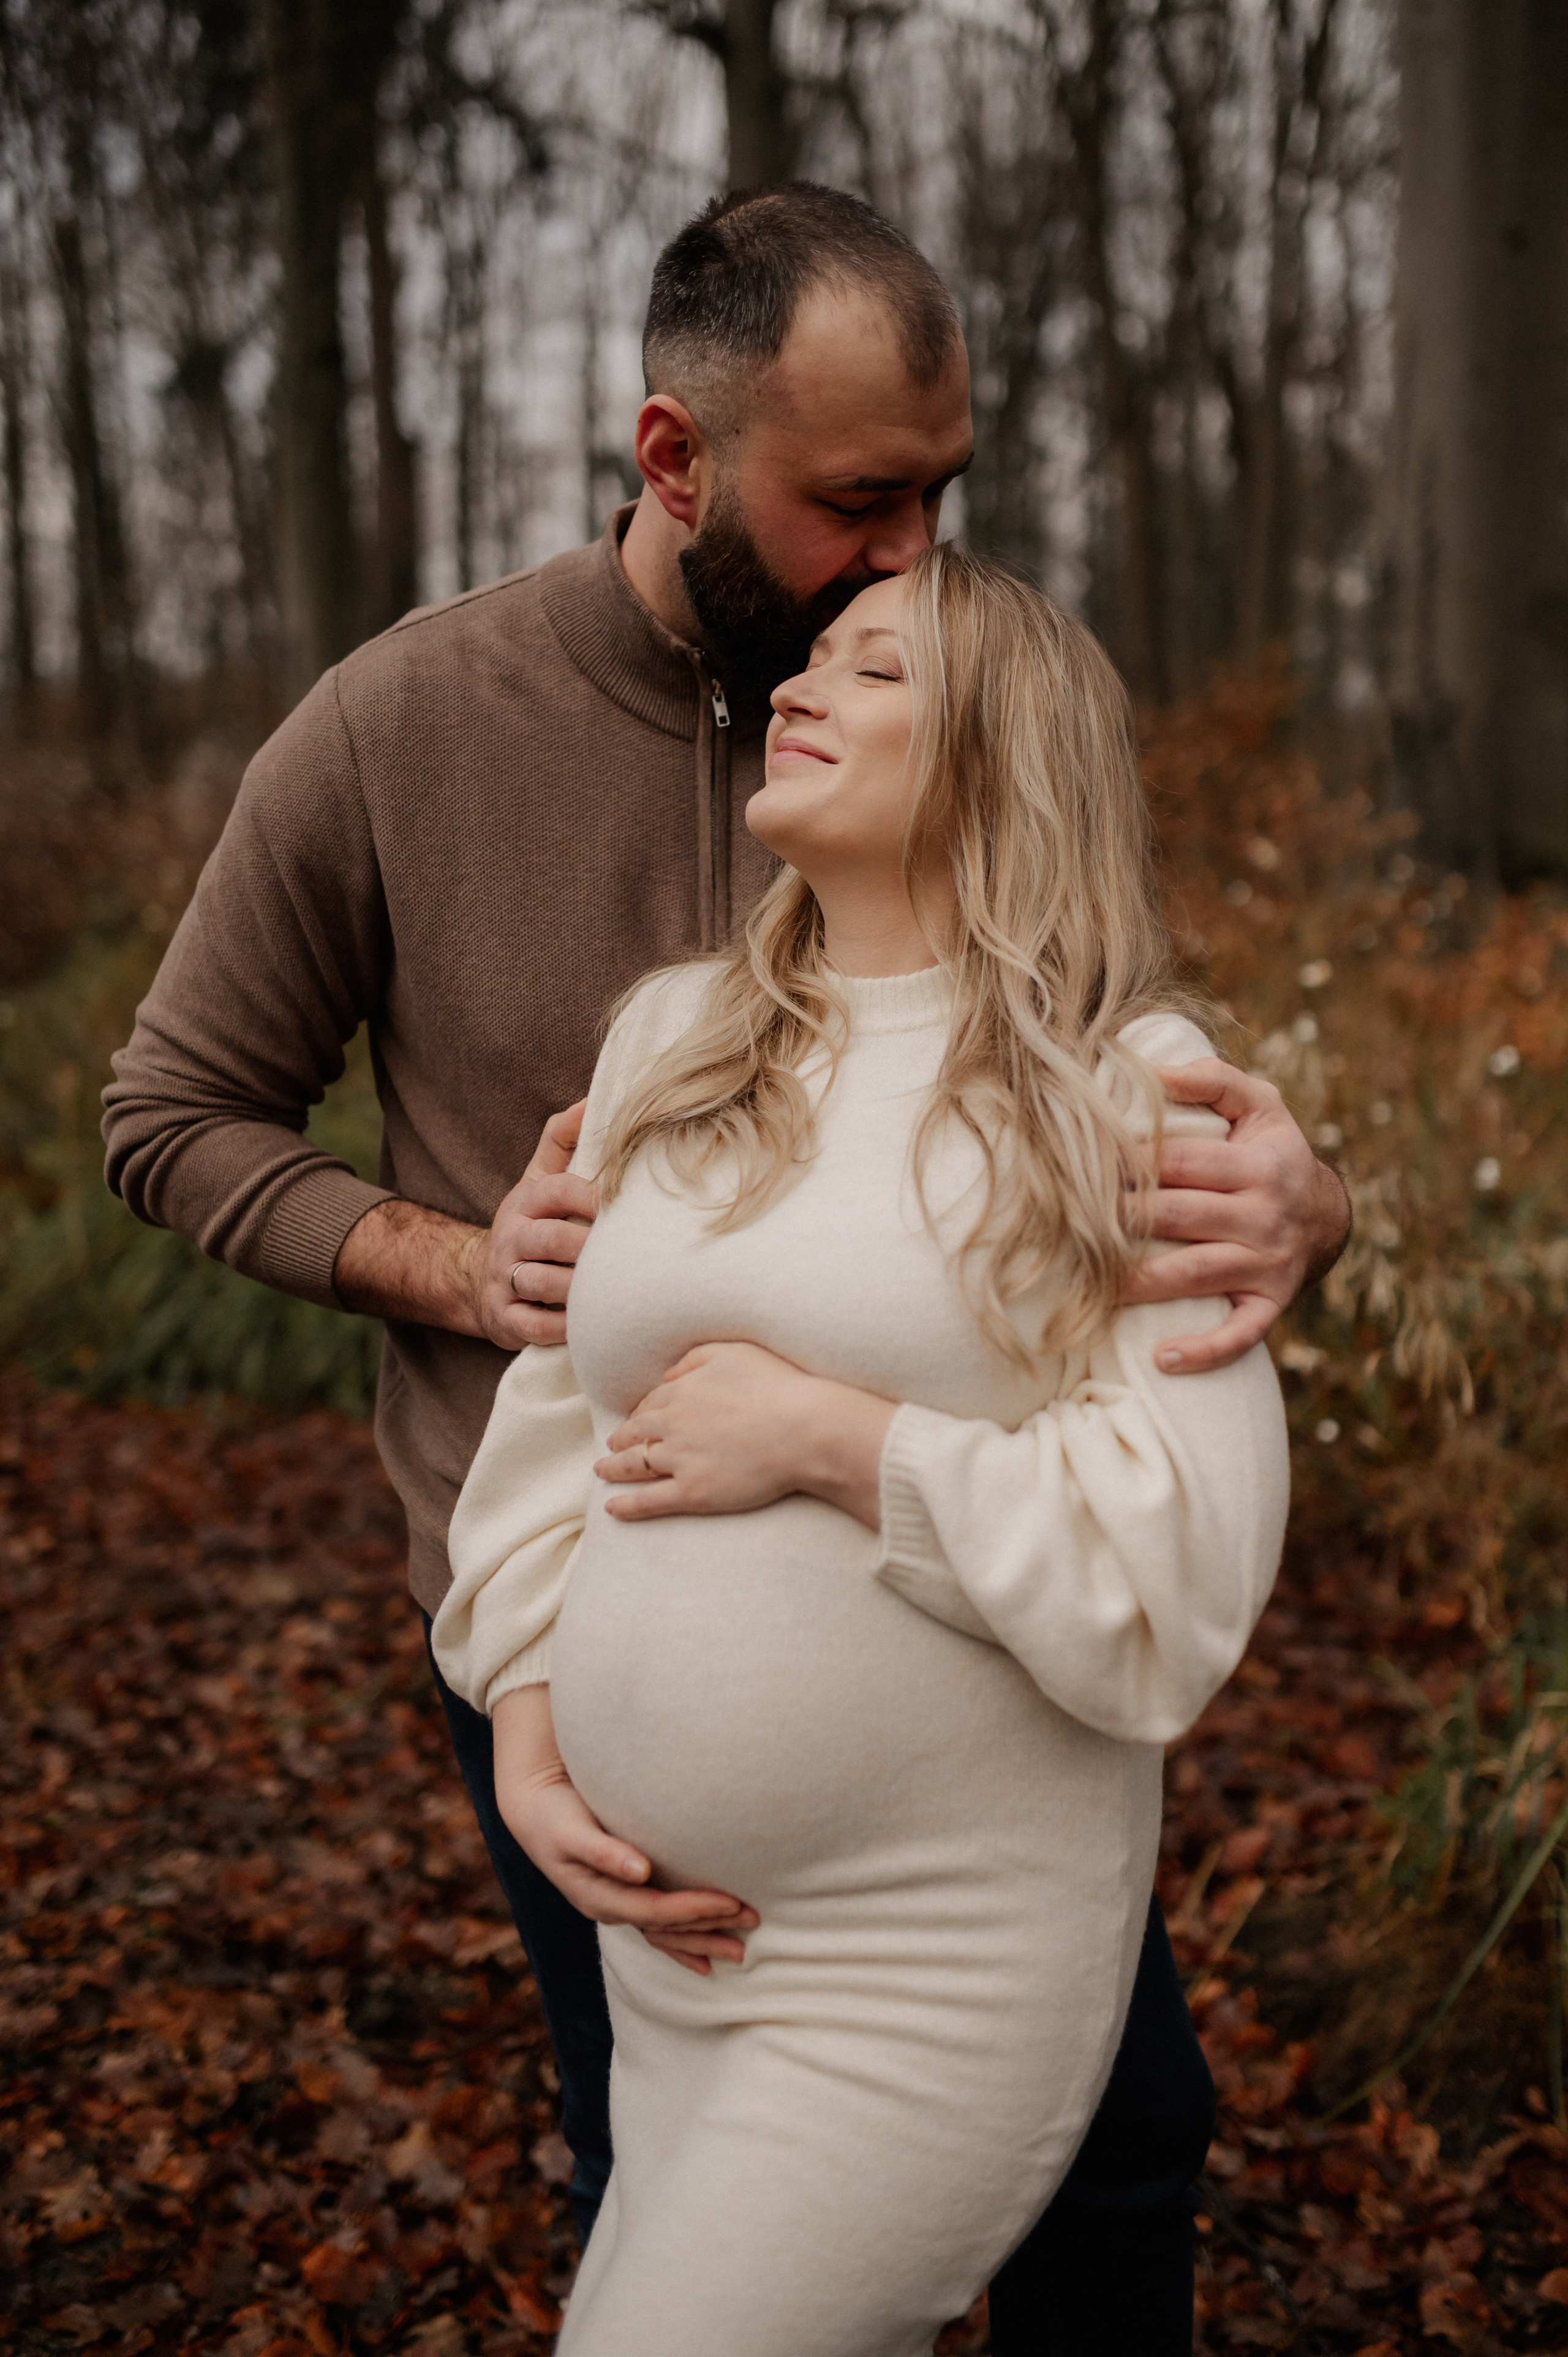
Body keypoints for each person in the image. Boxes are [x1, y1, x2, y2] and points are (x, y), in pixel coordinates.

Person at [103, 184, 1346, 2352]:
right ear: (678, 460)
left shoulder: (953, 726)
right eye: (860, 503)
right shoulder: (403, 730)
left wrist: (1295, 1216)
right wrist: (468, 1267)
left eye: (941, 501)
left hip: (969, 1779)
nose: (910, 554)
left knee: (1119, 2169)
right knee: (649, 2170)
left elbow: (1075, 1141)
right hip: (561, 1641)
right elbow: (171, 1116)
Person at [432, 545, 1290, 2355]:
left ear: (999, 759)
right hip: (671, 1955)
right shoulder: (676, 1040)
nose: (803, 687)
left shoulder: (1123, 1086)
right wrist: (525, 1726)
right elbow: (549, 1432)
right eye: (811, 661)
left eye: (877, 671)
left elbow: (1177, 1573)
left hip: (931, 1960)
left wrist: (845, 1442)